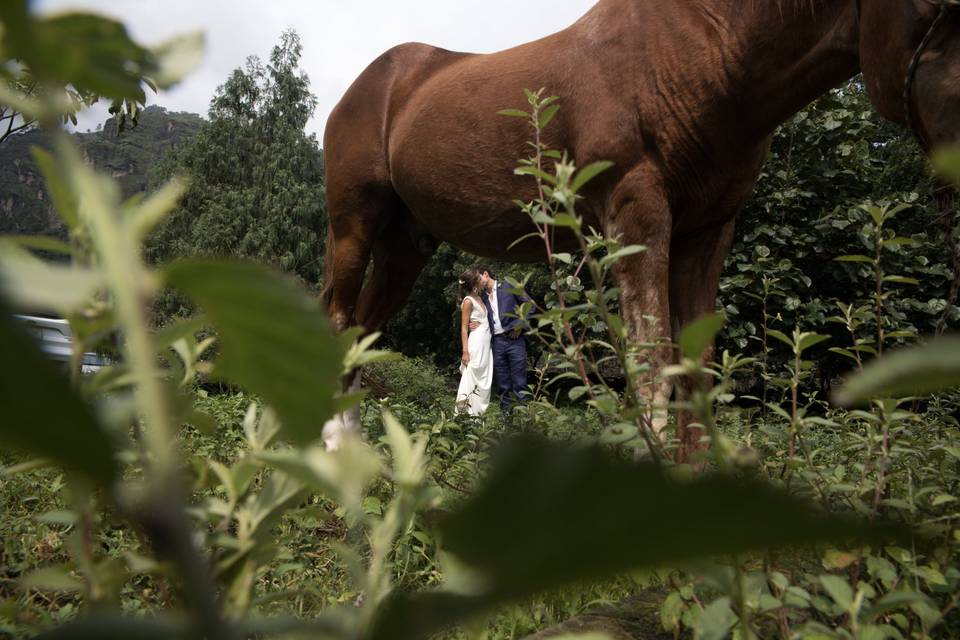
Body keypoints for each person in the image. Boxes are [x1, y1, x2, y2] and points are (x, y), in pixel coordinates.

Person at [477, 267, 531, 419]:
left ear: (486, 275)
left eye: (478, 279)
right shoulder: (484, 299)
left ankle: (527, 419)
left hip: (515, 340)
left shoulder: (508, 285)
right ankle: (507, 419)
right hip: (497, 343)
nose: (477, 284)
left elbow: (529, 305)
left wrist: (519, 325)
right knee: (503, 384)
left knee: (519, 381)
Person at [454, 268, 493, 416]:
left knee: (483, 379)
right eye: (479, 277)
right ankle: (465, 414)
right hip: (475, 344)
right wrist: (465, 351)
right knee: (472, 376)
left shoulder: (480, 298)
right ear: (475, 282)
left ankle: (478, 414)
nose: (483, 280)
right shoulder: (468, 301)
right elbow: (464, 328)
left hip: (485, 345)